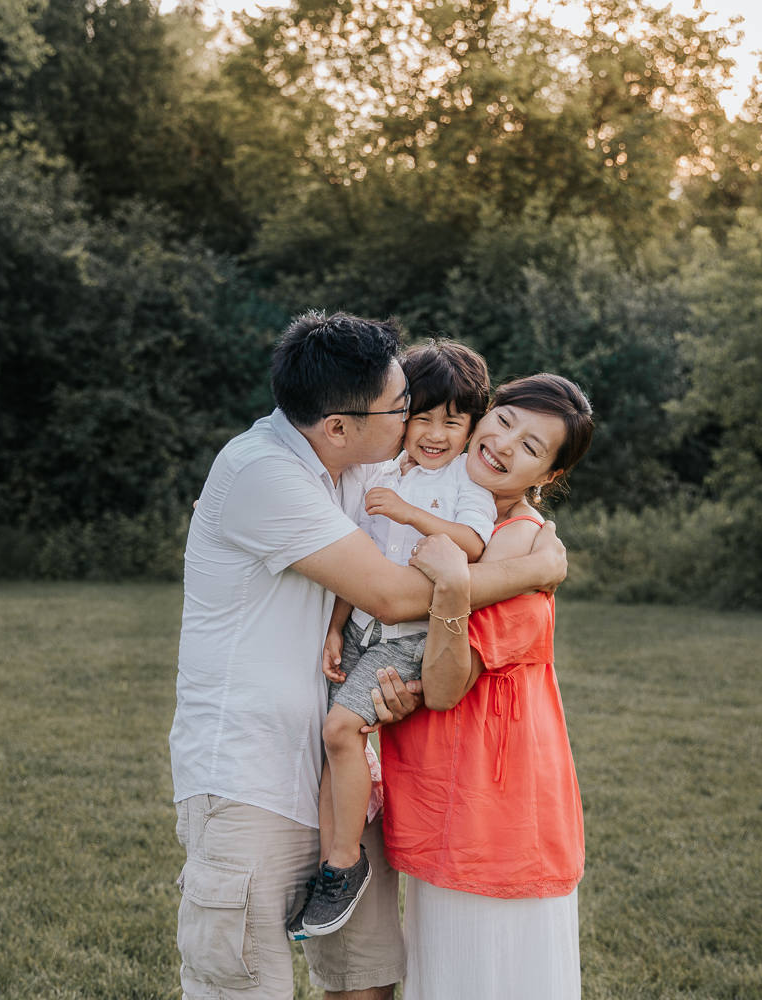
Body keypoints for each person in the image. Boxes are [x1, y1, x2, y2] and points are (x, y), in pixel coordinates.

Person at [169, 312, 568, 1000]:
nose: (415, 418)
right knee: (243, 987)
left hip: (351, 782)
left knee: (366, 983)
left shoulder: (363, 468)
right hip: (251, 777)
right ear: (338, 425)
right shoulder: (262, 471)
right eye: (400, 406)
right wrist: (536, 568)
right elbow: (390, 594)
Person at [382, 374, 595, 1000]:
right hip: (444, 791)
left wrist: (454, 586)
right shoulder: (435, 494)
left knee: (486, 976)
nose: (504, 445)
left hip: (494, 807)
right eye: (504, 421)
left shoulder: (522, 540)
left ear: (547, 476)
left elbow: (448, 686)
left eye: (532, 447)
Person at [299, 340, 495, 938]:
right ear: (401, 416)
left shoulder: (466, 482)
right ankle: (336, 855)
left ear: (470, 427)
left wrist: (412, 515)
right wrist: (334, 629)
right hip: (360, 626)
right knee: (338, 743)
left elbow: (473, 545)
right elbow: (354, 563)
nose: (435, 433)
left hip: (406, 638)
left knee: (340, 729)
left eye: (452, 421)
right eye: (422, 417)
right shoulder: (380, 474)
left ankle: (345, 862)